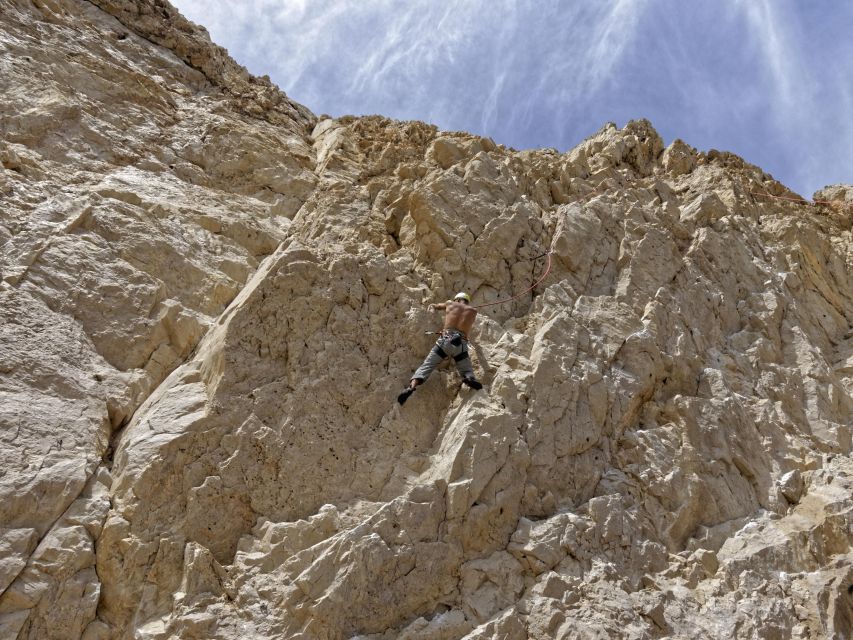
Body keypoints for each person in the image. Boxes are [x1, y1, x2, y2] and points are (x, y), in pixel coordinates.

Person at [397, 292, 483, 405]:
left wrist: (432, 306)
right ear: (467, 301)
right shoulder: (473, 311)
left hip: (445, 341)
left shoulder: (450, 303)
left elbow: (436, 306)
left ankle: (411, 387)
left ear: (456, 299)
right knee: (466, 369)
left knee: (426, 366)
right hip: (460, 344)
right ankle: (469, 378)